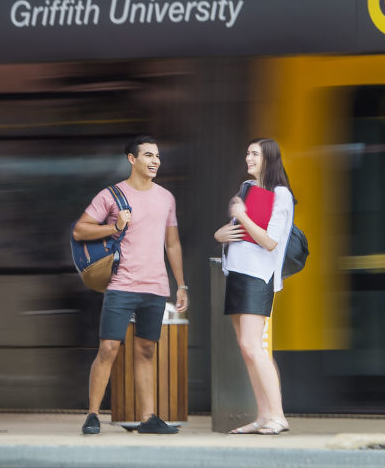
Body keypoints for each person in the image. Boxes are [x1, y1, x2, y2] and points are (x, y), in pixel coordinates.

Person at [73, 135, 188, 435]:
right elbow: (80, 230)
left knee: (146, 351)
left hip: (156, 286)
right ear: (131, 159)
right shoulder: (111, 196)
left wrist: (182, 285)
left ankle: (148, 417)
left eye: (158, 157)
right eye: (148, 155)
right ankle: (93, 415)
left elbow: (172, 244)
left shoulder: (166, 198)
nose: (155, 161)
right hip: (122, 285)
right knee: (109, 348)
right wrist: (115, 227)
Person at [214, 138, 295, 435]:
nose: (247, 157)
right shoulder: (247, 190)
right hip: (236, 272)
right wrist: (221, 234)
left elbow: (270, 241)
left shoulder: (280, 194)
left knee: (254, 346)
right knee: (246, 349)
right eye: (247, 152)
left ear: (269, 158)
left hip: (257, 275)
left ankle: (278, 416)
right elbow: (233, 232)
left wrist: (242, 215)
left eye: (254, 154)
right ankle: (263, 416)